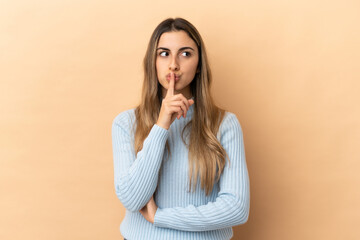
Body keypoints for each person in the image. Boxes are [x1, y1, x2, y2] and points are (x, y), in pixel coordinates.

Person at [112, 17, 250, 240]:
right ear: (153, 62)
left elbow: (236, 208)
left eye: (185, 53)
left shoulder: (225, 124)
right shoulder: (126, 123)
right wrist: (162, 124)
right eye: (164, 53)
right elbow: (133, 199)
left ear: (198, 66)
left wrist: (161, 217)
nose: (173, 64)